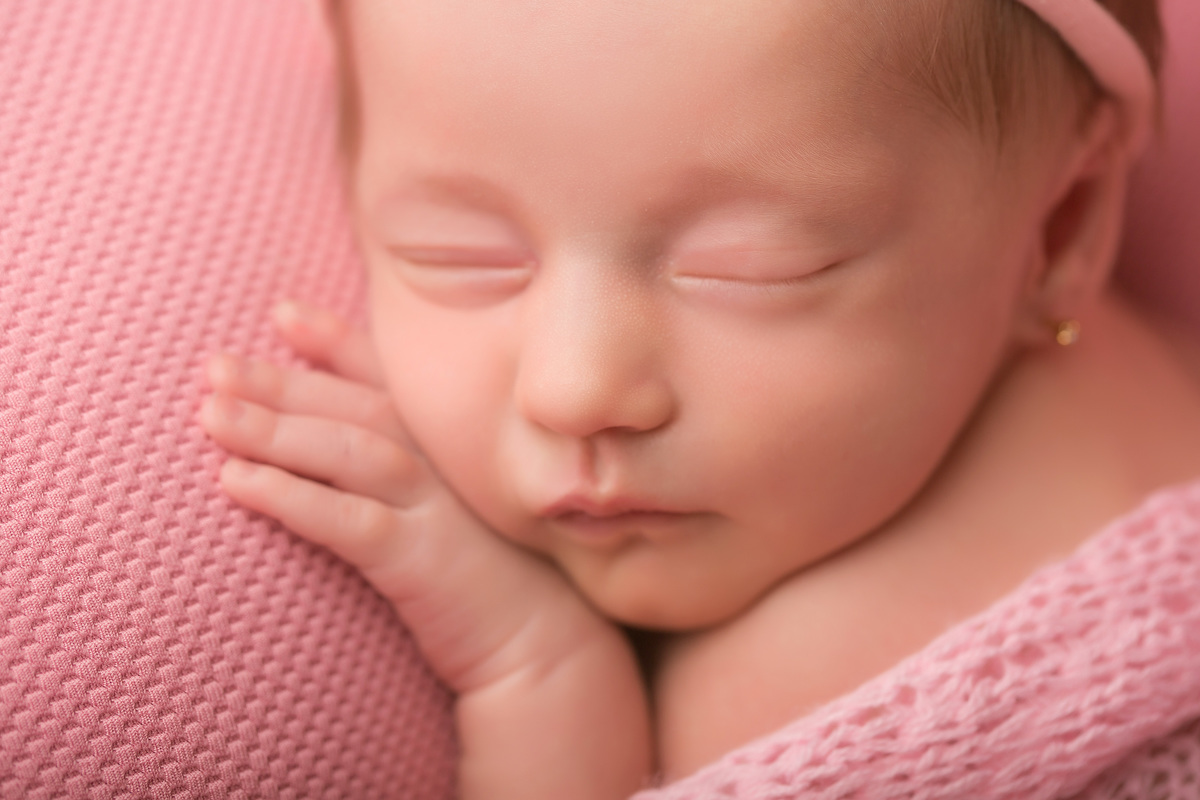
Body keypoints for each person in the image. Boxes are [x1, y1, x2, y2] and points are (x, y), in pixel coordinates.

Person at [199, 0, 1200, 796]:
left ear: (1060, 223)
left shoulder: (816, 704)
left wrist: (538, 678)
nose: (576, 387)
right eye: (459, 258)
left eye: (753, 267)